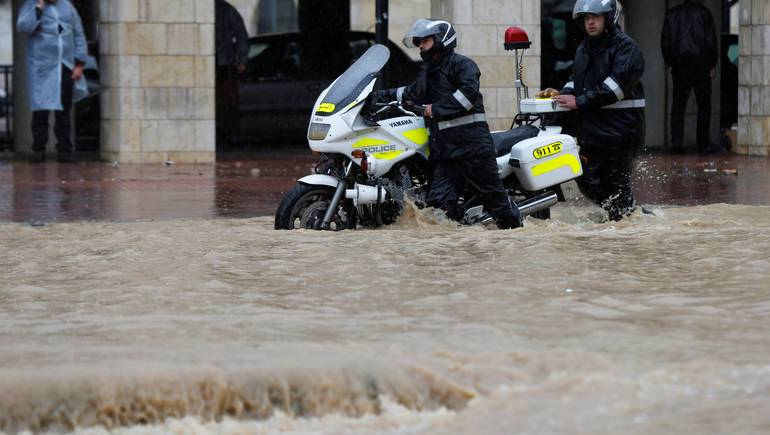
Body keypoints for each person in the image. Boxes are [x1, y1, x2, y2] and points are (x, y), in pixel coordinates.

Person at [370, 19, 521, 229]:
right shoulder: (427, 74)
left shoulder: (462, 65)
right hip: (445, 155)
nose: (420, 46)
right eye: (418, 42)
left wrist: (435, 109)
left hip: (472, 150)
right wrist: (373, 96)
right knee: (437, 211)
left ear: (442, 40)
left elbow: (467, 96)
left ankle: (518, 236)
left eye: (425, 41)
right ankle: (456, 248)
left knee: (497, 205)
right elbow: (408, 93)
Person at [542, 0, 645, 222]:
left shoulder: (626, 48)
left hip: (621, 131)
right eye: (587, 18)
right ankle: (627, 215)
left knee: (616, 184)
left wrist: (578, 101)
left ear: (608, 18)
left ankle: (627, 225)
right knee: (586, 179)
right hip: (593, 130)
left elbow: (613, 89)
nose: (590, 22)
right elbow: (577, 81)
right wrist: (559, 94)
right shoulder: (585, 47)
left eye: (595, 17)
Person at [17, 0, 88, 163]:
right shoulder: (30, 5)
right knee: (40, 109)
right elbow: (23, 26)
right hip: (41, 66)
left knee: (64, 110)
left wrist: (79, 63)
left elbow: (78, 34)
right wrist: (39, 8)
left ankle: (64, 150)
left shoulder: (68, 6)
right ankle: (38, 149)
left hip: (65, 64)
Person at [661, 0, 718, 154]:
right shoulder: (704, 13)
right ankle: (703, 144)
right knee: (704, 106)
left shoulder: (672, 14)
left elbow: (665, 42)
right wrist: (712, 64)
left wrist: (670, 62)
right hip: (701, 64)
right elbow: (710, 40)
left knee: (678, 106)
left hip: (680, 65)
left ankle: (677, 144)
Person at [215, 0, 249, 147]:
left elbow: (241, 35)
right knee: (224, 103)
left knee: (225, 102)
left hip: (223, 64)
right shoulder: (225, 9)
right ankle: (224, 134)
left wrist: (242, 59)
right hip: (221, 63)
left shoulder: (226, 10)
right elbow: (241, 35)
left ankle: (225, 135)